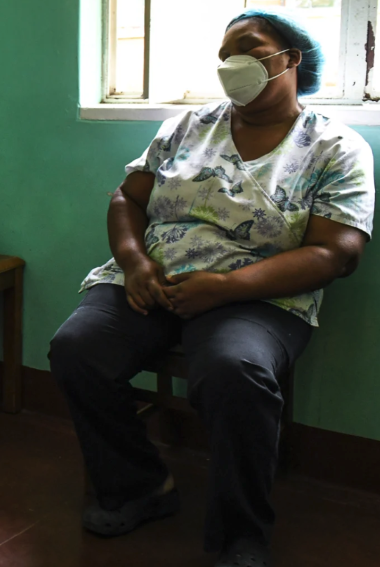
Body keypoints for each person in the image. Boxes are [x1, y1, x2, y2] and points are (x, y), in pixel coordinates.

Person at [50, 9, 374, 567]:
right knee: (77, 348)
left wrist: (224, 288)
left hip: (258, 296)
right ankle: (138, 486)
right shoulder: (188, 126)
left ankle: (240, 533)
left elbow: (335, 253)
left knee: (235, 370)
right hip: (155, 277)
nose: (233, 67)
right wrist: (133, 262)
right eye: (225, 58)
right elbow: (127, 198)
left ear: (290, 59)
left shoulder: (336, 147)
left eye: (249, 52)